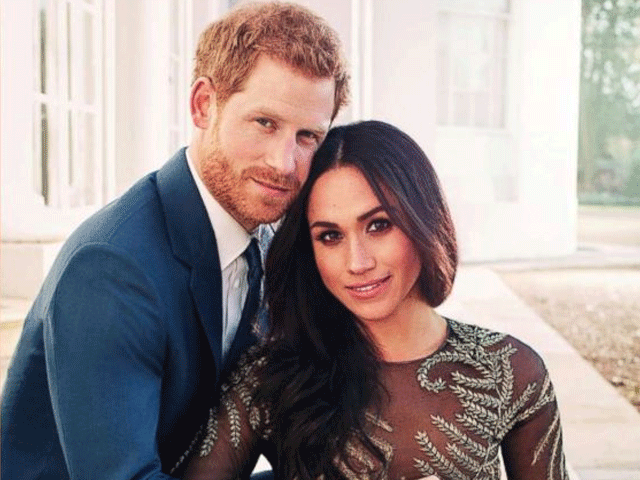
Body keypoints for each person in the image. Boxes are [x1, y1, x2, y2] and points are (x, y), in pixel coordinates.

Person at [0, 3, 348, 479]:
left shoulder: (266, 239)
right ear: (203, 104)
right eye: (264, 123)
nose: (284, 162)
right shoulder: (112, 270)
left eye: (308, 136)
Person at [179, 120, 570, 480]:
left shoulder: (511, 372)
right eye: (330, 236)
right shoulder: (270, 377)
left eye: (379, 225)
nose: (357, 262)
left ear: (423, 221)